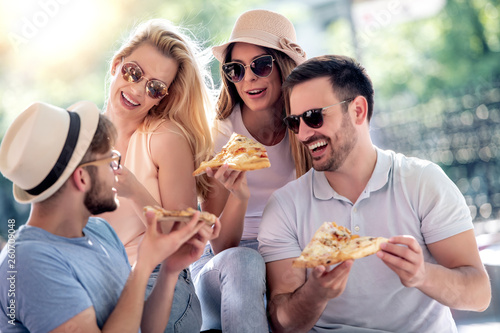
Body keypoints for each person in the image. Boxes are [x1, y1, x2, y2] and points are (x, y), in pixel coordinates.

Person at [257, 54, 492, 332]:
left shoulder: (422, 182)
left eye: (314, 117)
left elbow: (479, 295)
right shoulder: (285, 206)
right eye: (295, 122)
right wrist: (316, 293)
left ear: (357, 110)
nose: (303, 134)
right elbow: (282, 323)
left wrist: (422, 274)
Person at [0, 101, 219, 332]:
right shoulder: (29, 263)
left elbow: (143, 327)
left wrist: (169, 270)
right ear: (82, 177)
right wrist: (143, 266)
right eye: (109, 161)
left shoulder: (101, 232)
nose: (116, 171)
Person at [190, 9, 311, 332]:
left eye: (260, 65)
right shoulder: (218, 138)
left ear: (283, 67)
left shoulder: (308, 130)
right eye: (235, 70)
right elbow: (223, 248)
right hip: (227, 266)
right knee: (247, 261)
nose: (249, 79)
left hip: (286, 254)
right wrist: (239, 196)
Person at [98, 19, 215, 332]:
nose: (137, 90)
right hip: (98, 280)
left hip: (161, 281)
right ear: (116, 64)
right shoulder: (80, 132)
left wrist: (134, 190)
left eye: (154, 87)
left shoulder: (165, 138)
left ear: (162, 97)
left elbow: (186, 240)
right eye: (133, 72)